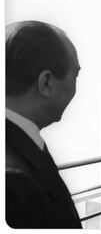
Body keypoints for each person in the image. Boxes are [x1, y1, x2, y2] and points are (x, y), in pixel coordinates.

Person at [5, 21, 82, 228]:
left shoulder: (22, 144)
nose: (76, 89)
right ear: (46, 82)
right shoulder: (12, 181)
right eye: (75, 75)